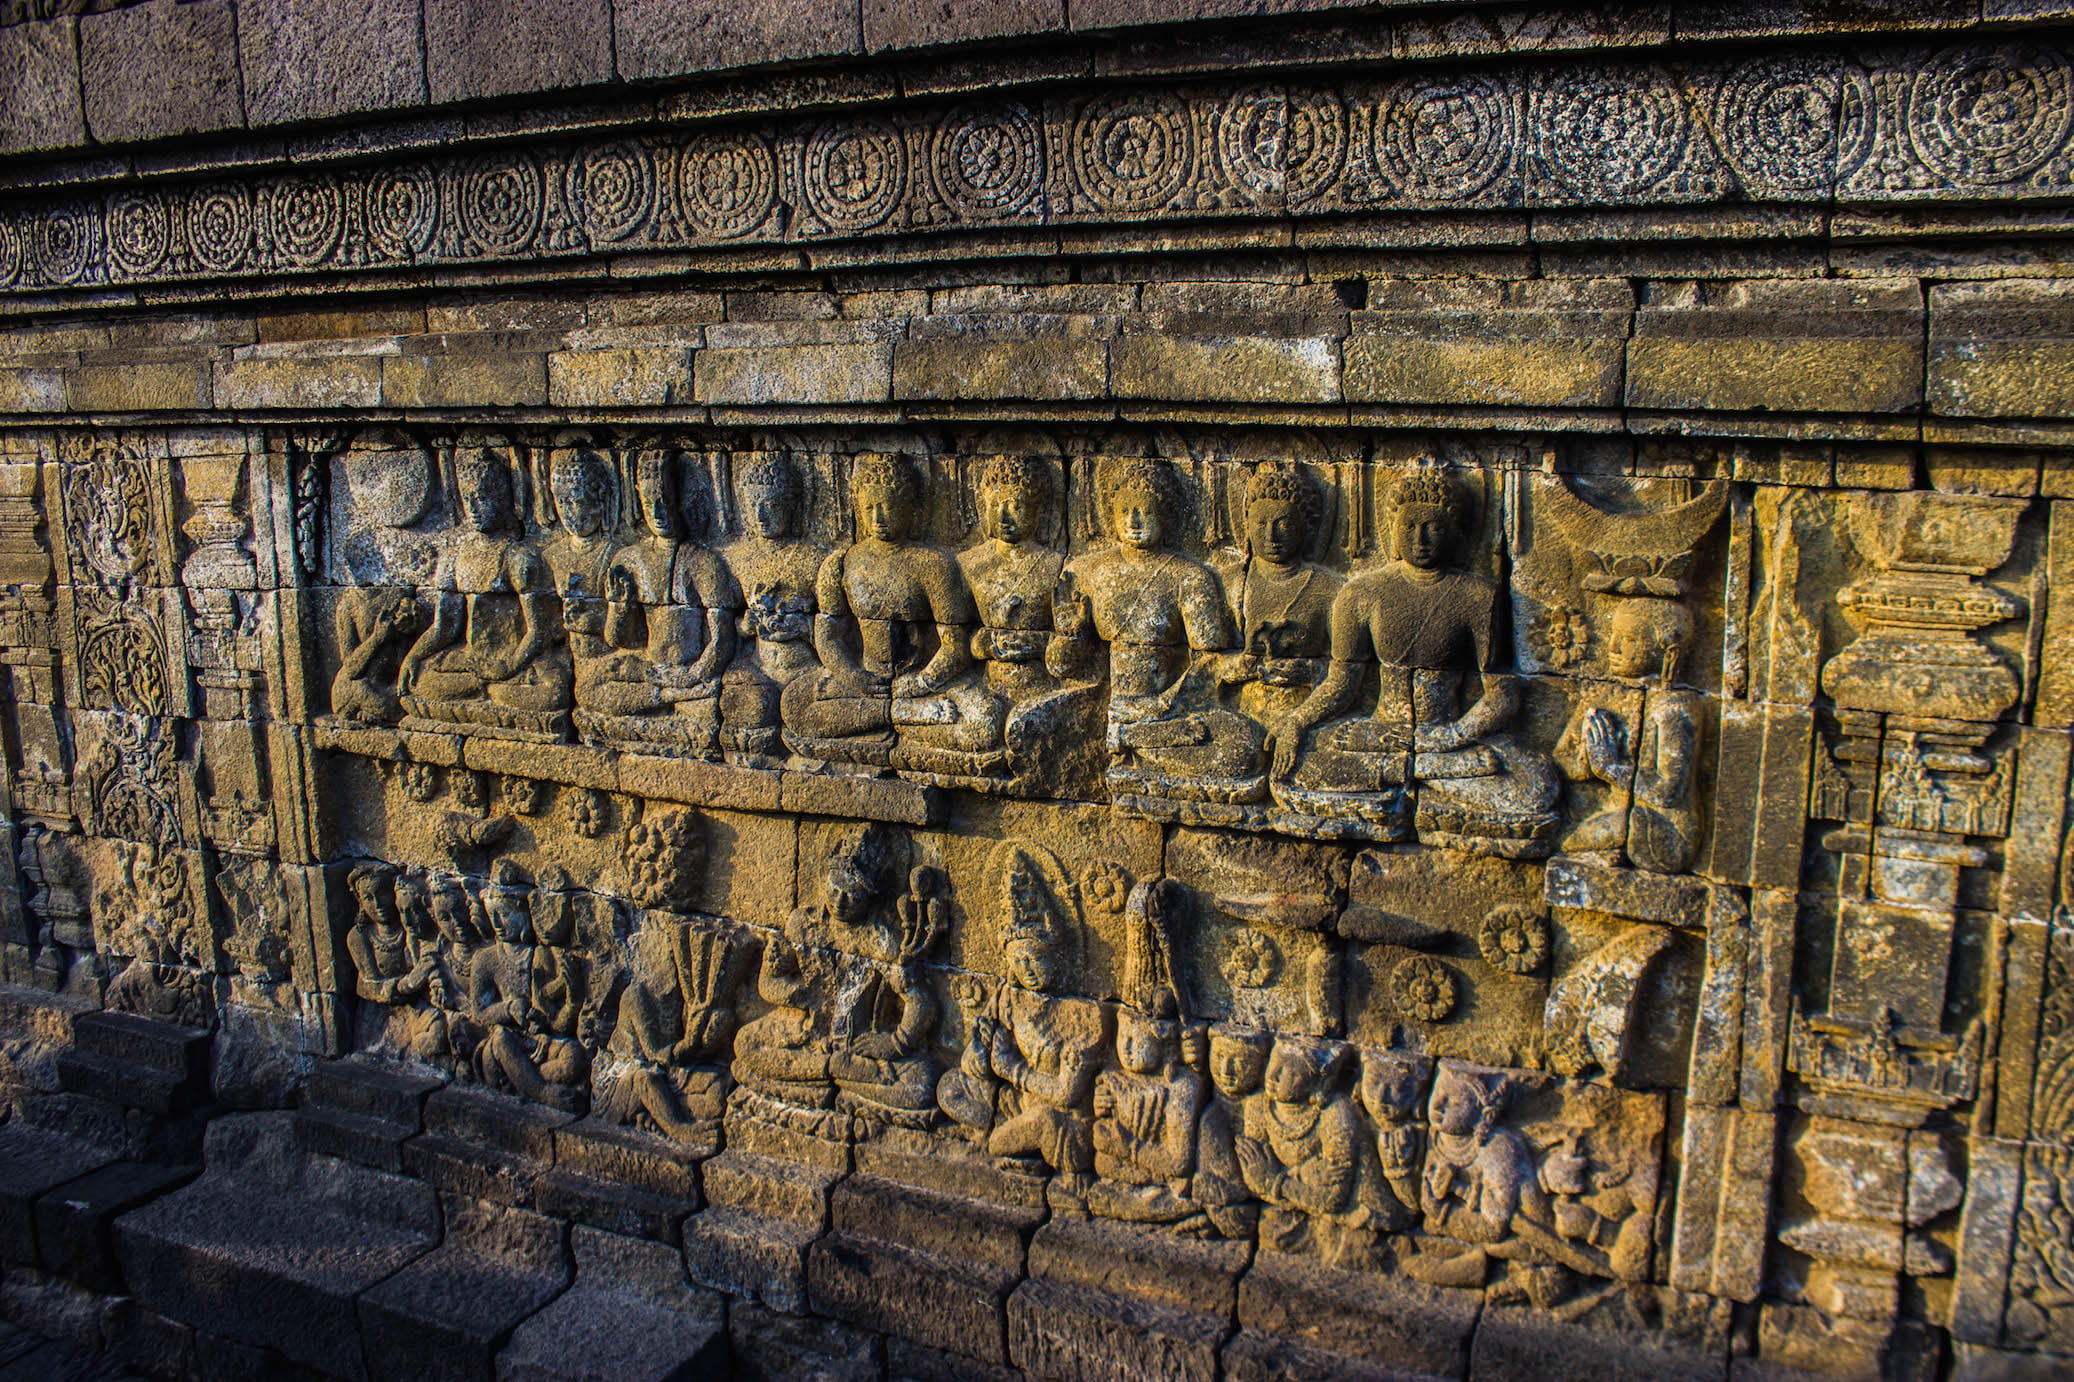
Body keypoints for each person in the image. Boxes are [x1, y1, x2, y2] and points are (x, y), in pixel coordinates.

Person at [1269, 465, 1559, 855]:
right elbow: (1341, 685)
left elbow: (1503, 695)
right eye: (1409, 527)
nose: (1420, 539)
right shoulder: (1362, 593)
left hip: (1446, 737)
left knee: (1538, 787)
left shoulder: (1479, 597)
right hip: (1380, 735)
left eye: (1433, 528)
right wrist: (1296, 721)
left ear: (1455, 532)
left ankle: (1412, 771)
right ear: (1392, 529)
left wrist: (1447, 737)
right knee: (1300, 766)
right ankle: (1418, 772)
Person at [1054, 458, 1263, 803]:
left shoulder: (1189, 576)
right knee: (1238, 759)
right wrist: (1069, 635)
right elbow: (1060, 667)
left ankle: (1131, 739)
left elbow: (1209, 663)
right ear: (1111, 514)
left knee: (1246, 742)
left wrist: (1247, 663)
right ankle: (1128, 738)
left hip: (1174, 707)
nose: (1133, 521)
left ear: (1165, 516)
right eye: (1124, 511)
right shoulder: (1089, 572)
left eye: (1145, 511)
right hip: (1121, 708)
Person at [781, 454, 981, 770]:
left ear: (912, 508)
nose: (878, 517)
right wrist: (853, 676)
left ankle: (884, 720)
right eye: (869, 508)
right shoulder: (842, 563)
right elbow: (828, 636)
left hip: (921, 681)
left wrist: (920, 683)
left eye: (889, 507)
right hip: (865, 681)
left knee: (983, 723)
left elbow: (956, 647)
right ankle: (900, 716)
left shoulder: (933, 565)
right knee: (794, 704)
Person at [400, 447, 571, 730]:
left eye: (481, 497)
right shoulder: (457, 557)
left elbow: (538, 632)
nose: (473, 507)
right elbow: (443, 628)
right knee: (424, 681)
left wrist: (508, 667)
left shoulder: (519, 558)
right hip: (471, 661)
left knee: (553, 694)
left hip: (512, 661)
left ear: (503, 499)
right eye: (467, 497)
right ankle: (489, 694)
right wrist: (413, 656)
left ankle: (490, 693)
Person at [717, 453, 826, 765]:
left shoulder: (812, 560)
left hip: (804, 669)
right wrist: (748, 623)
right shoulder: (738, 558)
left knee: (805, 715)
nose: (760, 515)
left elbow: (840, 636)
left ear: (791, 506)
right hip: (758, 667)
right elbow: (730, 631)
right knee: (748, 711)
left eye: (771, 504)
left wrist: (802, 627)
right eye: (753, 505)